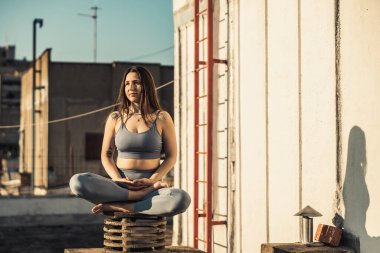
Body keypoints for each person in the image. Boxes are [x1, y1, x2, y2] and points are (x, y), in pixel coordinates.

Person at [69, 66, 190, 216]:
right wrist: (117, 179)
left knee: (181, 199)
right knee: (77, 182)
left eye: (136, 83)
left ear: (147, 86)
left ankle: (124, 207)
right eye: (127, 83)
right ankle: (136, 198)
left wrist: (152, 181)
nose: (131, 88)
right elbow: (106, 155)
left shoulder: (162, 118)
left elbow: (171, 156)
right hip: (120, 189)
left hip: (151, 189)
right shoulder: (115, 118)